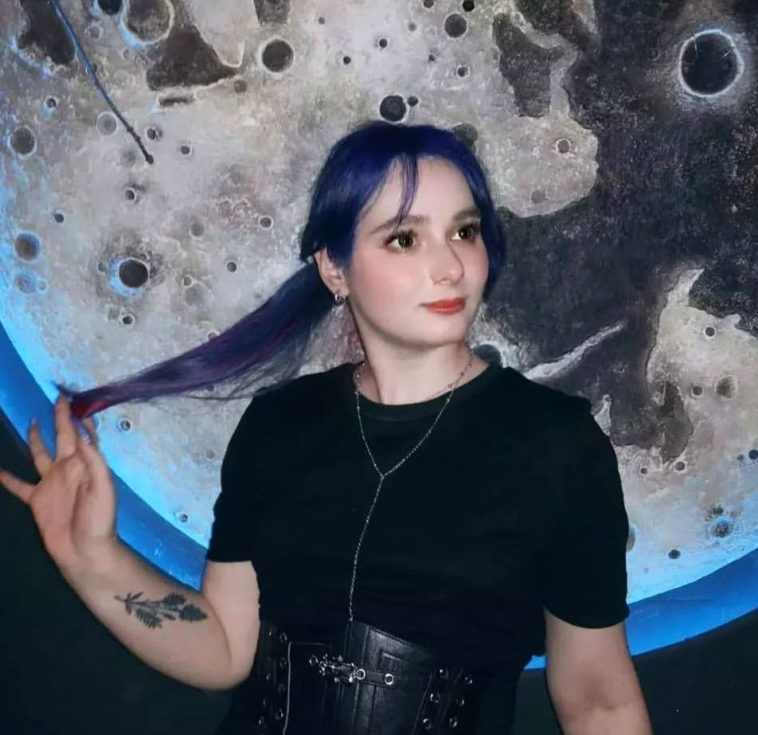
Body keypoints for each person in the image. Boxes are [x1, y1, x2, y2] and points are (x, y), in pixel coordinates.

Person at [0, 121, 652, 734]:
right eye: (405, 238)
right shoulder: (279, 425)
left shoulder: (557, 445)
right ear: (335, 269)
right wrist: (91, 556)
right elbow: (226, 646)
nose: (451, 266)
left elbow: (598, 697)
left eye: (464, 230)